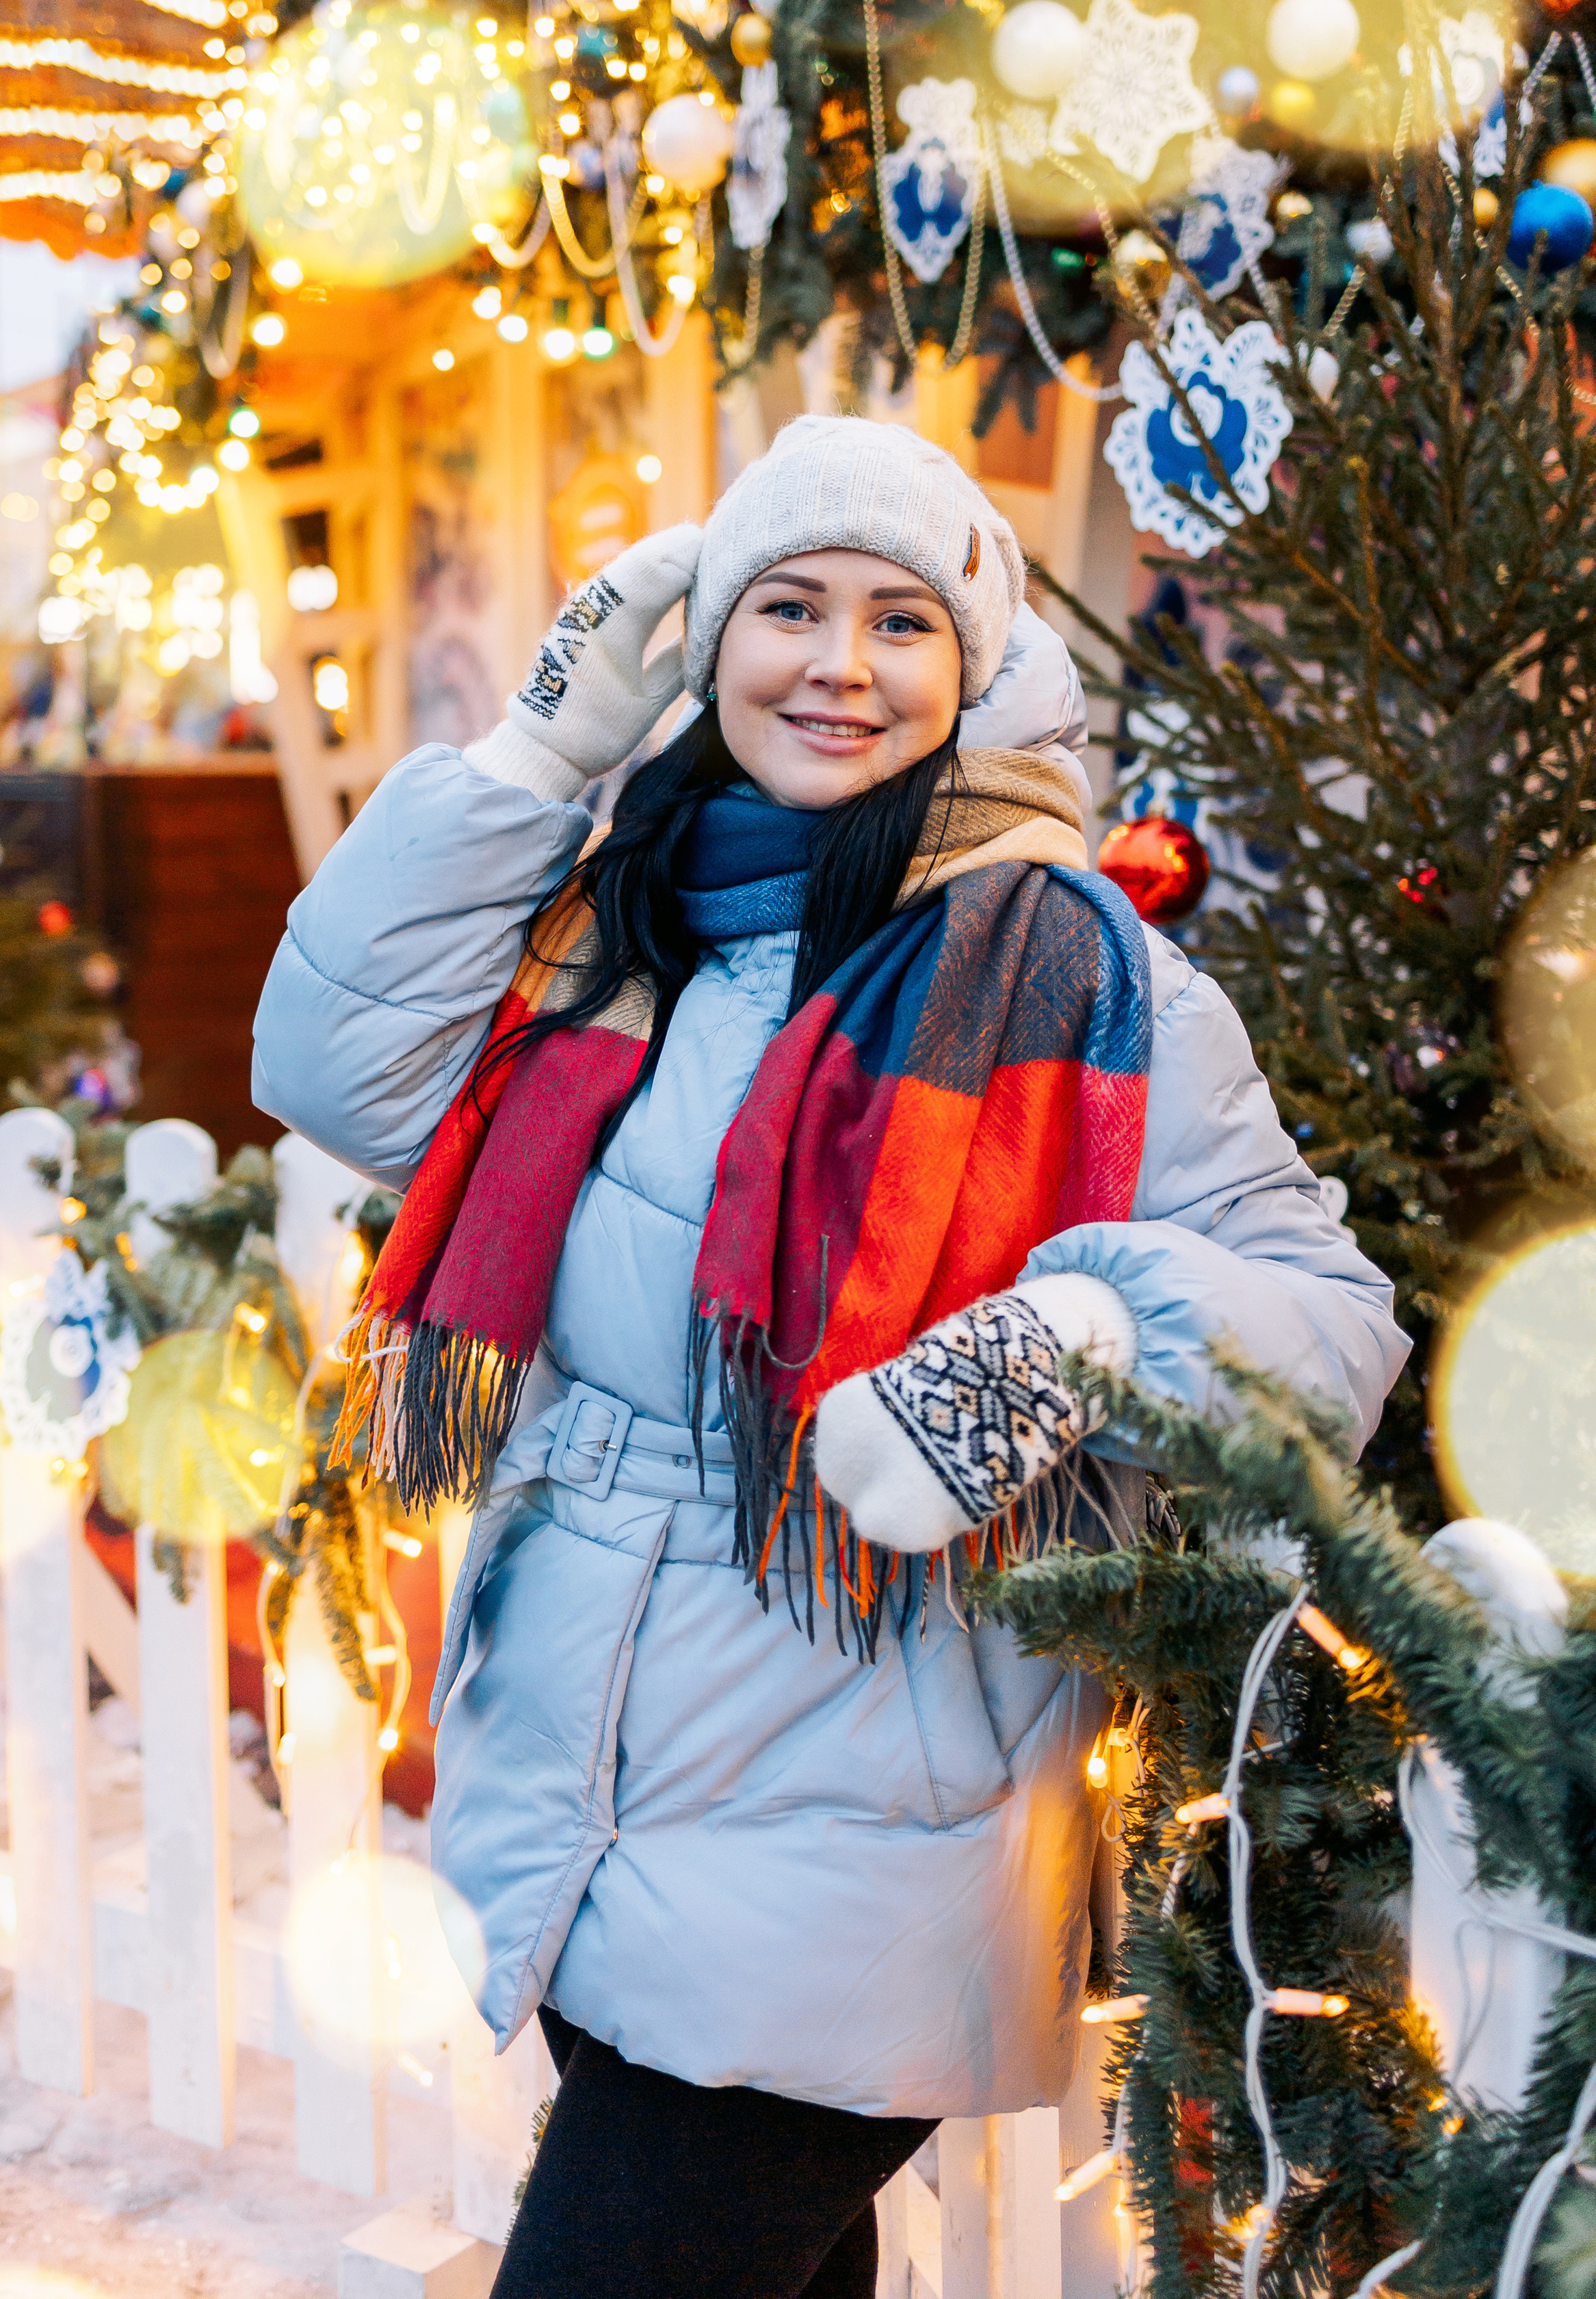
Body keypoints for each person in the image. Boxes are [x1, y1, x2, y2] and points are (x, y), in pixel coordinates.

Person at [252, 414, 1407, 2299]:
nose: (841, 666)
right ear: (709, 647)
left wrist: (1071, 1334)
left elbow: (1331, 1321)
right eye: (789, 606)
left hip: (869, 1769)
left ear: (977, 667)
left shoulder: (1081, 966)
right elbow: (332, 1072)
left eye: (902, 620)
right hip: (587, 1743)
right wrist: (541, 752)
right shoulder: (629, 910)